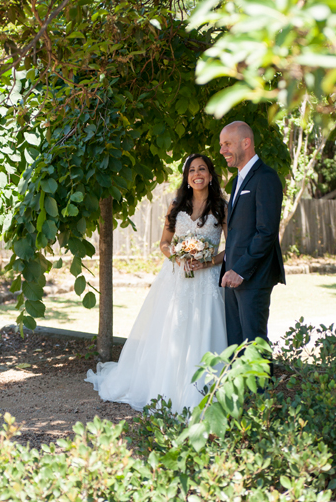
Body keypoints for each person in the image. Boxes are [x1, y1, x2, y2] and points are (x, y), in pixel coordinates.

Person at [85, 154, 229, 413]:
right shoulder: (176, 205)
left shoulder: (222, 207)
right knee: (172, 331)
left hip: (208, 281)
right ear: (186, 177)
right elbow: (164, 243)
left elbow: (231, 249)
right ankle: (167, 389)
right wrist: (177, 256)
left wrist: (208, 261)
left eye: (202, 169)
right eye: (192, 170)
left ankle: (201, 393)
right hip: (176, 279)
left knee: (204, 331)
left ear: (210, 175)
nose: (197, 174)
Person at [219, 121, 286, 349]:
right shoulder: (238, 179)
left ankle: (260, 380)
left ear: (246, 143)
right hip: (232, 275)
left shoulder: (266, 177)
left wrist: (240, 270)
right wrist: (230, 269)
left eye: (227, 144)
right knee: (236, 346)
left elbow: (266, 232)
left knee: (254, 345)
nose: (222, 151)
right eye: (221, 145)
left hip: (253, 276)